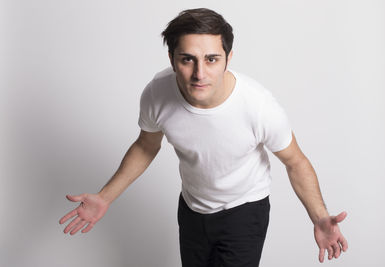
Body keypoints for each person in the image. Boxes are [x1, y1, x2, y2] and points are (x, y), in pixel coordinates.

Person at [59, 8, 348, 266]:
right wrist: (105, 197)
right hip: (192, 208)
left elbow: (296, 162)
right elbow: (146, 146)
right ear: (172, 59)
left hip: (244, 211)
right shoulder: (156, 94)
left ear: (228, 59)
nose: (200, 73)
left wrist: (319, 217)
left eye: (211, 59)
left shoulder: (258, 106)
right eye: (188, 59)